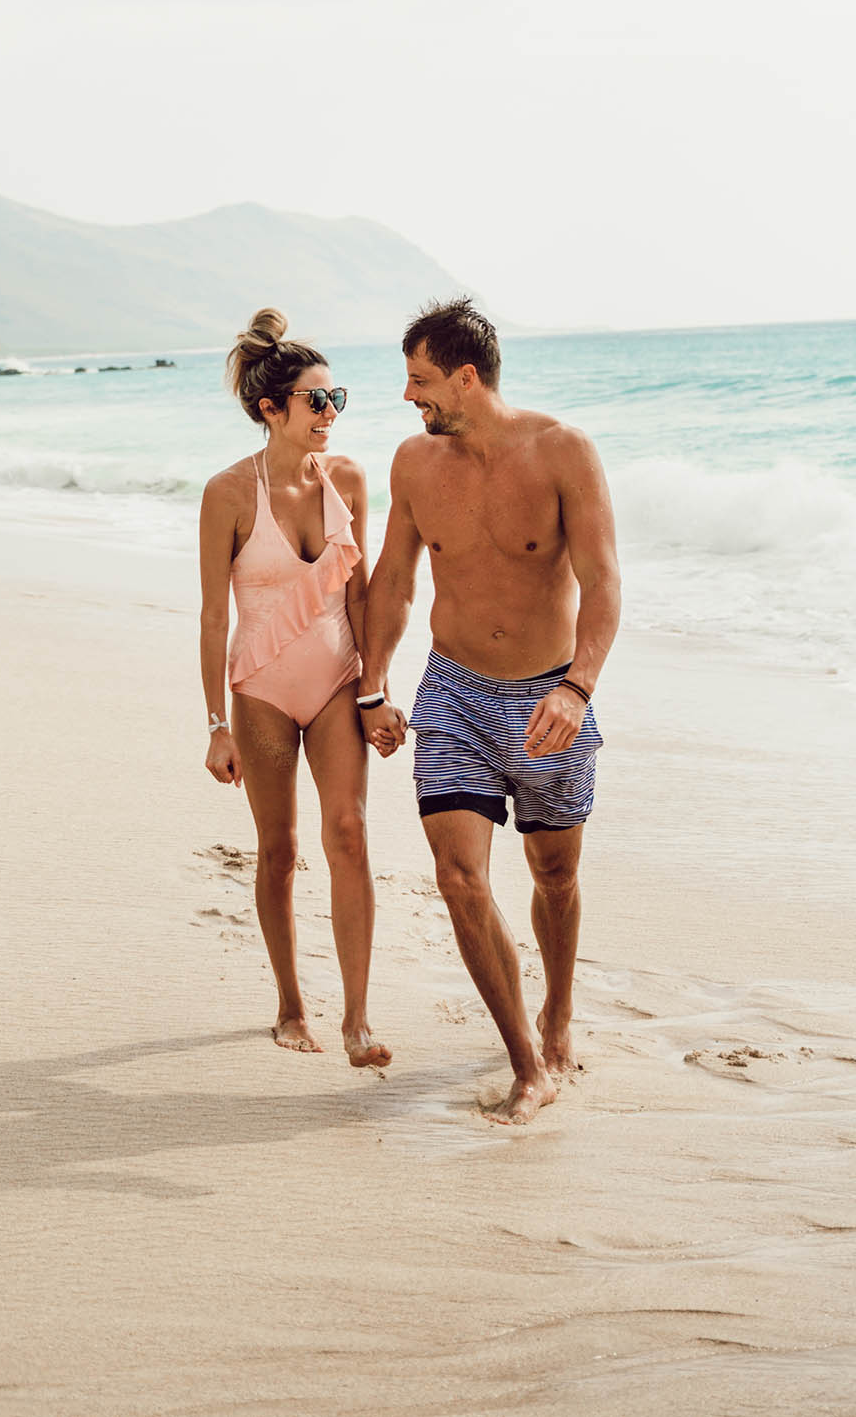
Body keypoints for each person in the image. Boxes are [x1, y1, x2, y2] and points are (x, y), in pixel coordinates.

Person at [358, 299, 621, 1124]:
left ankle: (558, 1013)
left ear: (466, 378)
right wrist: (373, 685)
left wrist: (577, 688)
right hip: (455, 692)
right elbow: (394, 582)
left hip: (549, 697)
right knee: (458, 877)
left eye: (420, 380)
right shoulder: (414, 464)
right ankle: (526, 1065)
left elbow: (604, 582)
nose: (409, 396)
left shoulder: (563, 451)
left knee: (555, 876)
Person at [199, 309, 391, 1071]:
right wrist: (216, 723)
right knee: (278, 851)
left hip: (338, 681)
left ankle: (358, 1020)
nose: (330, 413)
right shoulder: (227, 493)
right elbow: (214, 614)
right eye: (317, 400)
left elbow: (361, 592)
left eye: (336, 397)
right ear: (271, 408)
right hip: (262, 693)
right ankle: (289, 1005)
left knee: (348, 833)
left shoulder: (349, 479)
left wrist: (375, 689)